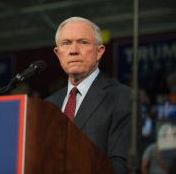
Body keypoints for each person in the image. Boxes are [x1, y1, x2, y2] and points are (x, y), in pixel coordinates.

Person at [46, 16, 139, 174]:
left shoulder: (122, 97)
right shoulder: (47, 106)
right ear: (58, 53)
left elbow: (122, 165)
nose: (74, 50)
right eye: (66, 43)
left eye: (83, 42)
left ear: (99, 51)